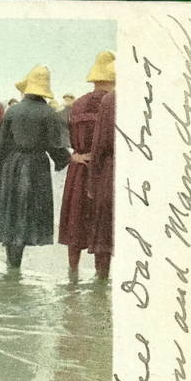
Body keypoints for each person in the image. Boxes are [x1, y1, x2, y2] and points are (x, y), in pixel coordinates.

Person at [0, 65, 70, 268]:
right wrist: (67, 159)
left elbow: (1, 142)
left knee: (11, 210)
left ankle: (12, 262)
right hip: (36, 165)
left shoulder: (12, 110)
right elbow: (55, 145)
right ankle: (16, 265)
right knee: (28, 211)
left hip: (11, 165)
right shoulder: (48, 113)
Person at [59, 51, 116, 277]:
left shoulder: (78, 103)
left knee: (75, 222)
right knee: (101, 227)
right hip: (104, 172)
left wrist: (72, 155)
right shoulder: (113, 102)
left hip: (79, 169)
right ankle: (101, 281)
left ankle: (72, 273)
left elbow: (63, 137)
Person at [87, 89, 116, 280]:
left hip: (112, 168)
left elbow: (100, 143)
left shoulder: (111, 99)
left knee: (104, 229)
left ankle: (101, 281)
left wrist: (93, 179)